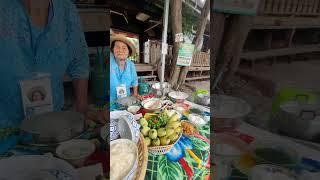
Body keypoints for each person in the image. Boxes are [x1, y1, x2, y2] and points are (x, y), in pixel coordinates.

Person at [0, 0, 90, 128]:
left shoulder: (66, 9)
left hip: (52, 127)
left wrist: (82, 108)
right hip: (5, 129)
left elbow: (79, 62)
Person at [110, 34, 141, 102]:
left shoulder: (131, 65)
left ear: (128, 52)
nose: (120, 50)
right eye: (117, 47)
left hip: (125, 101)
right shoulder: (108, 62)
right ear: (113, 50)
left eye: (124, 48)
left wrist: (135, 94)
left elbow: (135, 81)